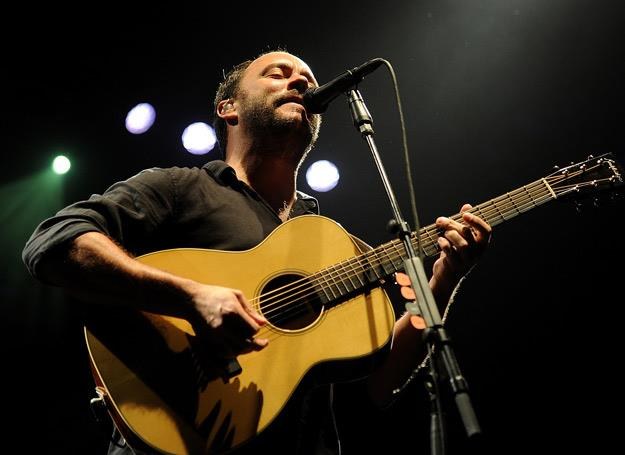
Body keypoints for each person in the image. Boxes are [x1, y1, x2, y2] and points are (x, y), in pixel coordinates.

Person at [22, 50, 492, 454]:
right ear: (229, 108)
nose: (301, 82)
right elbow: (54, 242)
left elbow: (381, 385)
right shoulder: (181, 187)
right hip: (180, 431)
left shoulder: (331, 243)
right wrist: (189, 298)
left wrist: (446, 276)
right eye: (277, 73)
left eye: (306, 79)